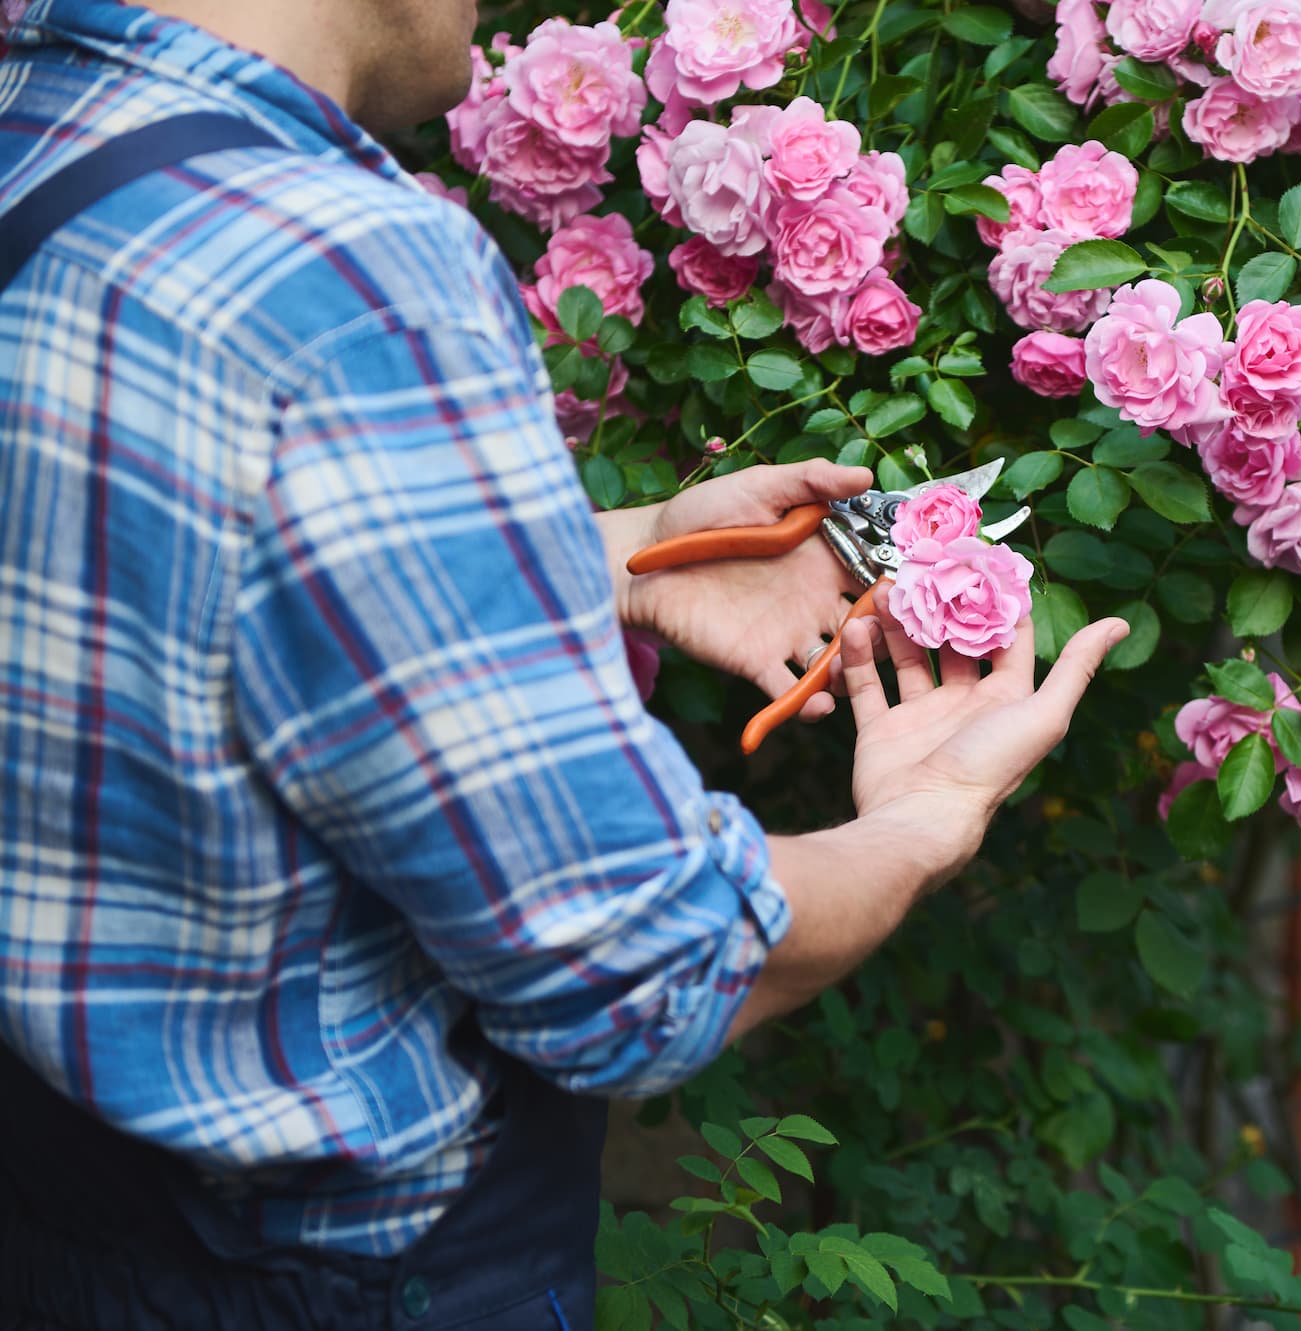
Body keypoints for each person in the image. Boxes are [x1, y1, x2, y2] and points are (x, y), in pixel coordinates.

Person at [0, 0, 1128, 1326]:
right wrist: (921, 826)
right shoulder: (345, 275)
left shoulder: (46, 148)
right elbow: (635, 972)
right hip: (340, 1281)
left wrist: (617, 549)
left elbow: (119, 564)